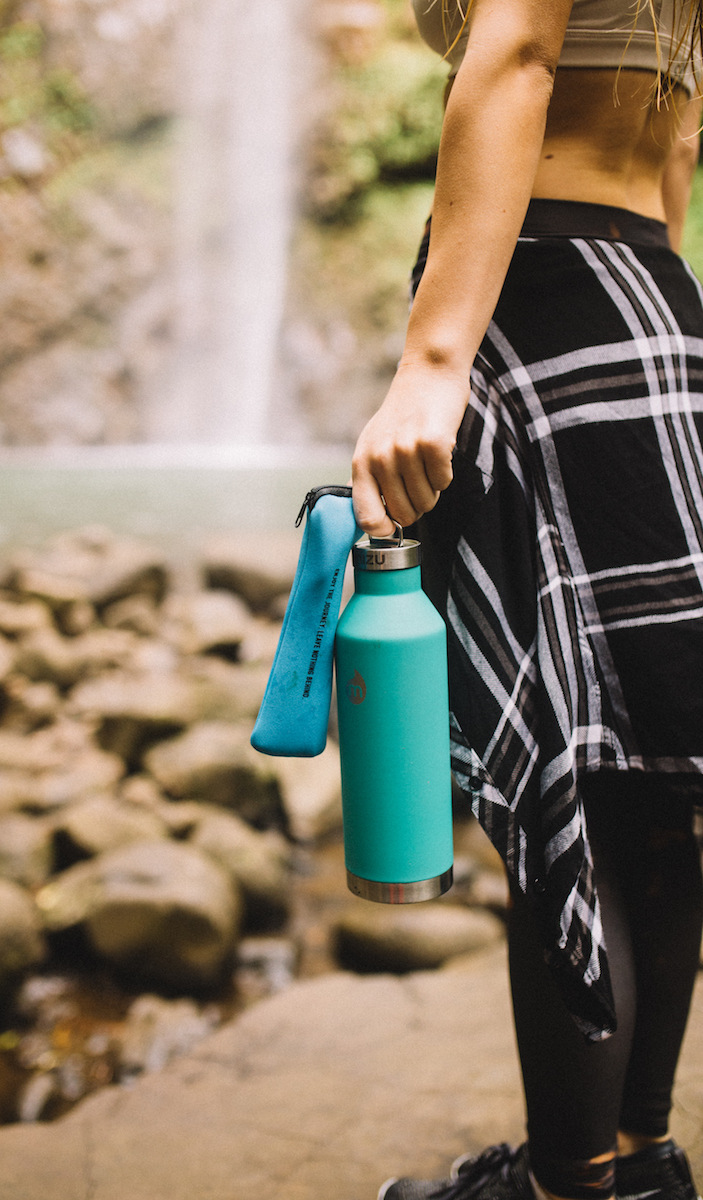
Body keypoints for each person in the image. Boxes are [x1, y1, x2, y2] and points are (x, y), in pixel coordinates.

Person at [348, 3, 703, 1200]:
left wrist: (433, 360)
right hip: (655, 293)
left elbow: (516, 54)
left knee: (569, 778)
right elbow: (677, 139)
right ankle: (637, 1155)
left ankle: (565, 1184)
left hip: (538, 292)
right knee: (652, 781)